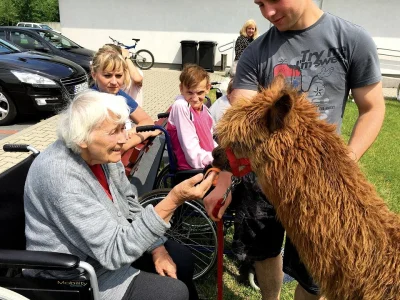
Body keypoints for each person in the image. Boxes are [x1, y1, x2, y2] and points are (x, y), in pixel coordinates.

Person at [204, 1, 386, 300]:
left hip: (321, 184)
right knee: (263, 251)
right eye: (260, 4)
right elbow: (241, 131)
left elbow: (372, 107)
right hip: (262, 177)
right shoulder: (255, 52)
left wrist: (347, 161)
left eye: (275, 0)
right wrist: (224, 179)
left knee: (315, 269)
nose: (268, 13)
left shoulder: (351, 40)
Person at [24, 91, 217, 300]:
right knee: (173, 293)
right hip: (77, 275)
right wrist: (173, 200)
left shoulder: (105, 156)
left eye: (123, 127)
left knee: (182, 259)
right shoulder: (60, 176)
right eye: (114, 131)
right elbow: (113, 253)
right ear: (82, 139)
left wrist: (157, 249)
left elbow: (130, 203)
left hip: (109, 250)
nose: (125, 138)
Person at [91, 45, 157, 152]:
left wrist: (132, 131)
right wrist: (145, 133)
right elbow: (110, 148)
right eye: (107, 75)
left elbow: (147, 121)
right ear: (94, 75)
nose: (114, 82)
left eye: (118, 76)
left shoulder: (118, 94)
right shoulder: (90, 102)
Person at [167, 64, 217, 170]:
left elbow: (210, 139)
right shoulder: (181, 106)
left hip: (209, 165)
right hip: (193, 171)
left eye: (200, 92)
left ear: (208, 88)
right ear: (181, 88)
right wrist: (219, 161)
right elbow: (192, 155)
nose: (195, 99)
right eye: (190, 92)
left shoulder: (205, 110)